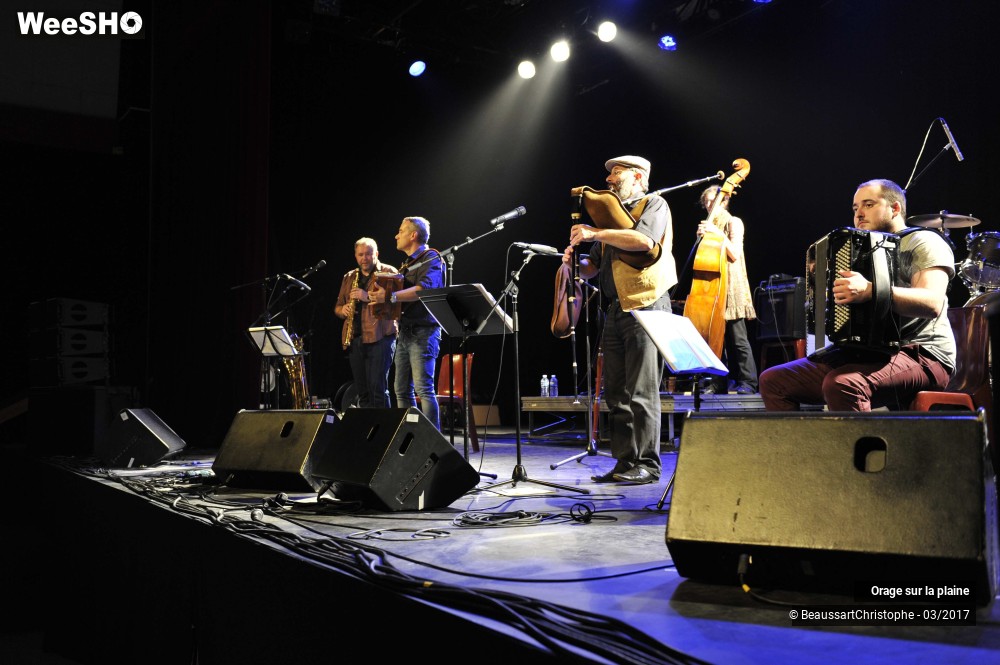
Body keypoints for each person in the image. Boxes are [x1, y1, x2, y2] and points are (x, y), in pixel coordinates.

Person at [759, 178, 955, 411]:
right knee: (773, 381)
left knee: (843, 384)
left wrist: (870, 291)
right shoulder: (859, 248)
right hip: (871, 353)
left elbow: (931, 303)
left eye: (869, 205)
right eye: (855, 208)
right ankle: (803, 450)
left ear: (894, 208)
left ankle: (861, 448)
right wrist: (821, 290)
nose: (859, 214)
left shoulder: (924, 241)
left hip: (924, 354)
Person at [565, 155, 677, 485]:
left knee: (643, 392)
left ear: (639, 177)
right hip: (615, 310)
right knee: (616, 394)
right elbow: (593, 268)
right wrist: (574, 261)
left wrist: (594, 232)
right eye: (610, 173)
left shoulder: (655, 205)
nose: (610, 179)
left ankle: (648, 464)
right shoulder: (612, 221)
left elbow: (644, 243)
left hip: (647, 306)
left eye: (618, 173)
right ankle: (625, 462)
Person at [371, 216, 446, 429]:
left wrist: (390, 297)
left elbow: (424, 290)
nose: (396, 235)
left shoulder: (431, 257)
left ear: (413, 235)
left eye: (401, 230)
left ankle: (433, 443)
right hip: (404, 331)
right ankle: (411, 437)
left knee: (424, 389)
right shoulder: (408, 264)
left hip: (424, 331)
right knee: (401, 389)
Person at [696, 184, 759, 395]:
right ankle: (718, 383)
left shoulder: (734, 222)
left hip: (732, 286)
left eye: (712, 202)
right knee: (714, 340)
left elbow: (735, 253)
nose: (708, 206)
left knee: (738, 339)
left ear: (724, 202)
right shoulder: (708, 225)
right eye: (705, 203)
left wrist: (715, 233)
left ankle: (748, 382)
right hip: (712, 286)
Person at [334, 238, 398, 408]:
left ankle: (385, 431)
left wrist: (366, 296)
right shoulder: (349, 277)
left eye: (368, 254)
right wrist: (344, 310)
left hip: (381, 338)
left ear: (376, 254)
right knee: (362, 392)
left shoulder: (388, 272)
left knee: (378, 389)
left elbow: (396, 304)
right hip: (355, 338)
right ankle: (367, 432)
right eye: (360, 254)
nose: (364, 258)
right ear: (356, 256)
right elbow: (337, 307)